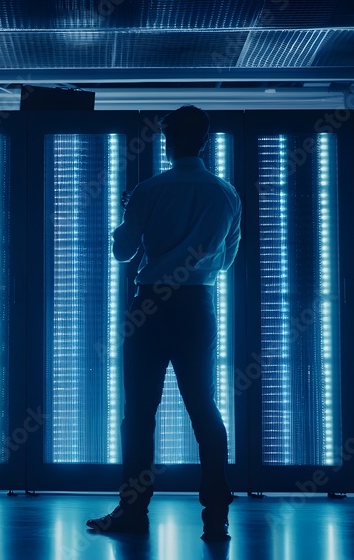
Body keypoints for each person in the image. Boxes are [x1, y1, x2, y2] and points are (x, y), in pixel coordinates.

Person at [86, 105, 241, 542]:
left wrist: (127, 216)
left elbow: (122, 252)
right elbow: (226, 261)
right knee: (204, 410)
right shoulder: (226, 193)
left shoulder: (148, 190)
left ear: (167, 142)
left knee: (138, 414)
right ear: (205, 141)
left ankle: (133, 513)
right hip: (196, 306)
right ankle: (215, 517)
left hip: (150, 306)